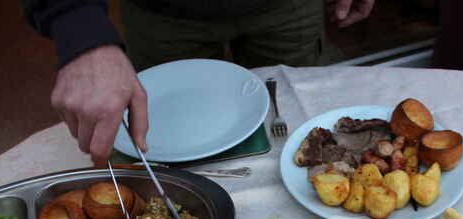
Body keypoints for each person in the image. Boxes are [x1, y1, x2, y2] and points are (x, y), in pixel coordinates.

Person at [19, 0, 376, 164]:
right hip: (163, 14)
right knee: (162, 142)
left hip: (286, 9)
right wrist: (79, 27)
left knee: (301, 130)